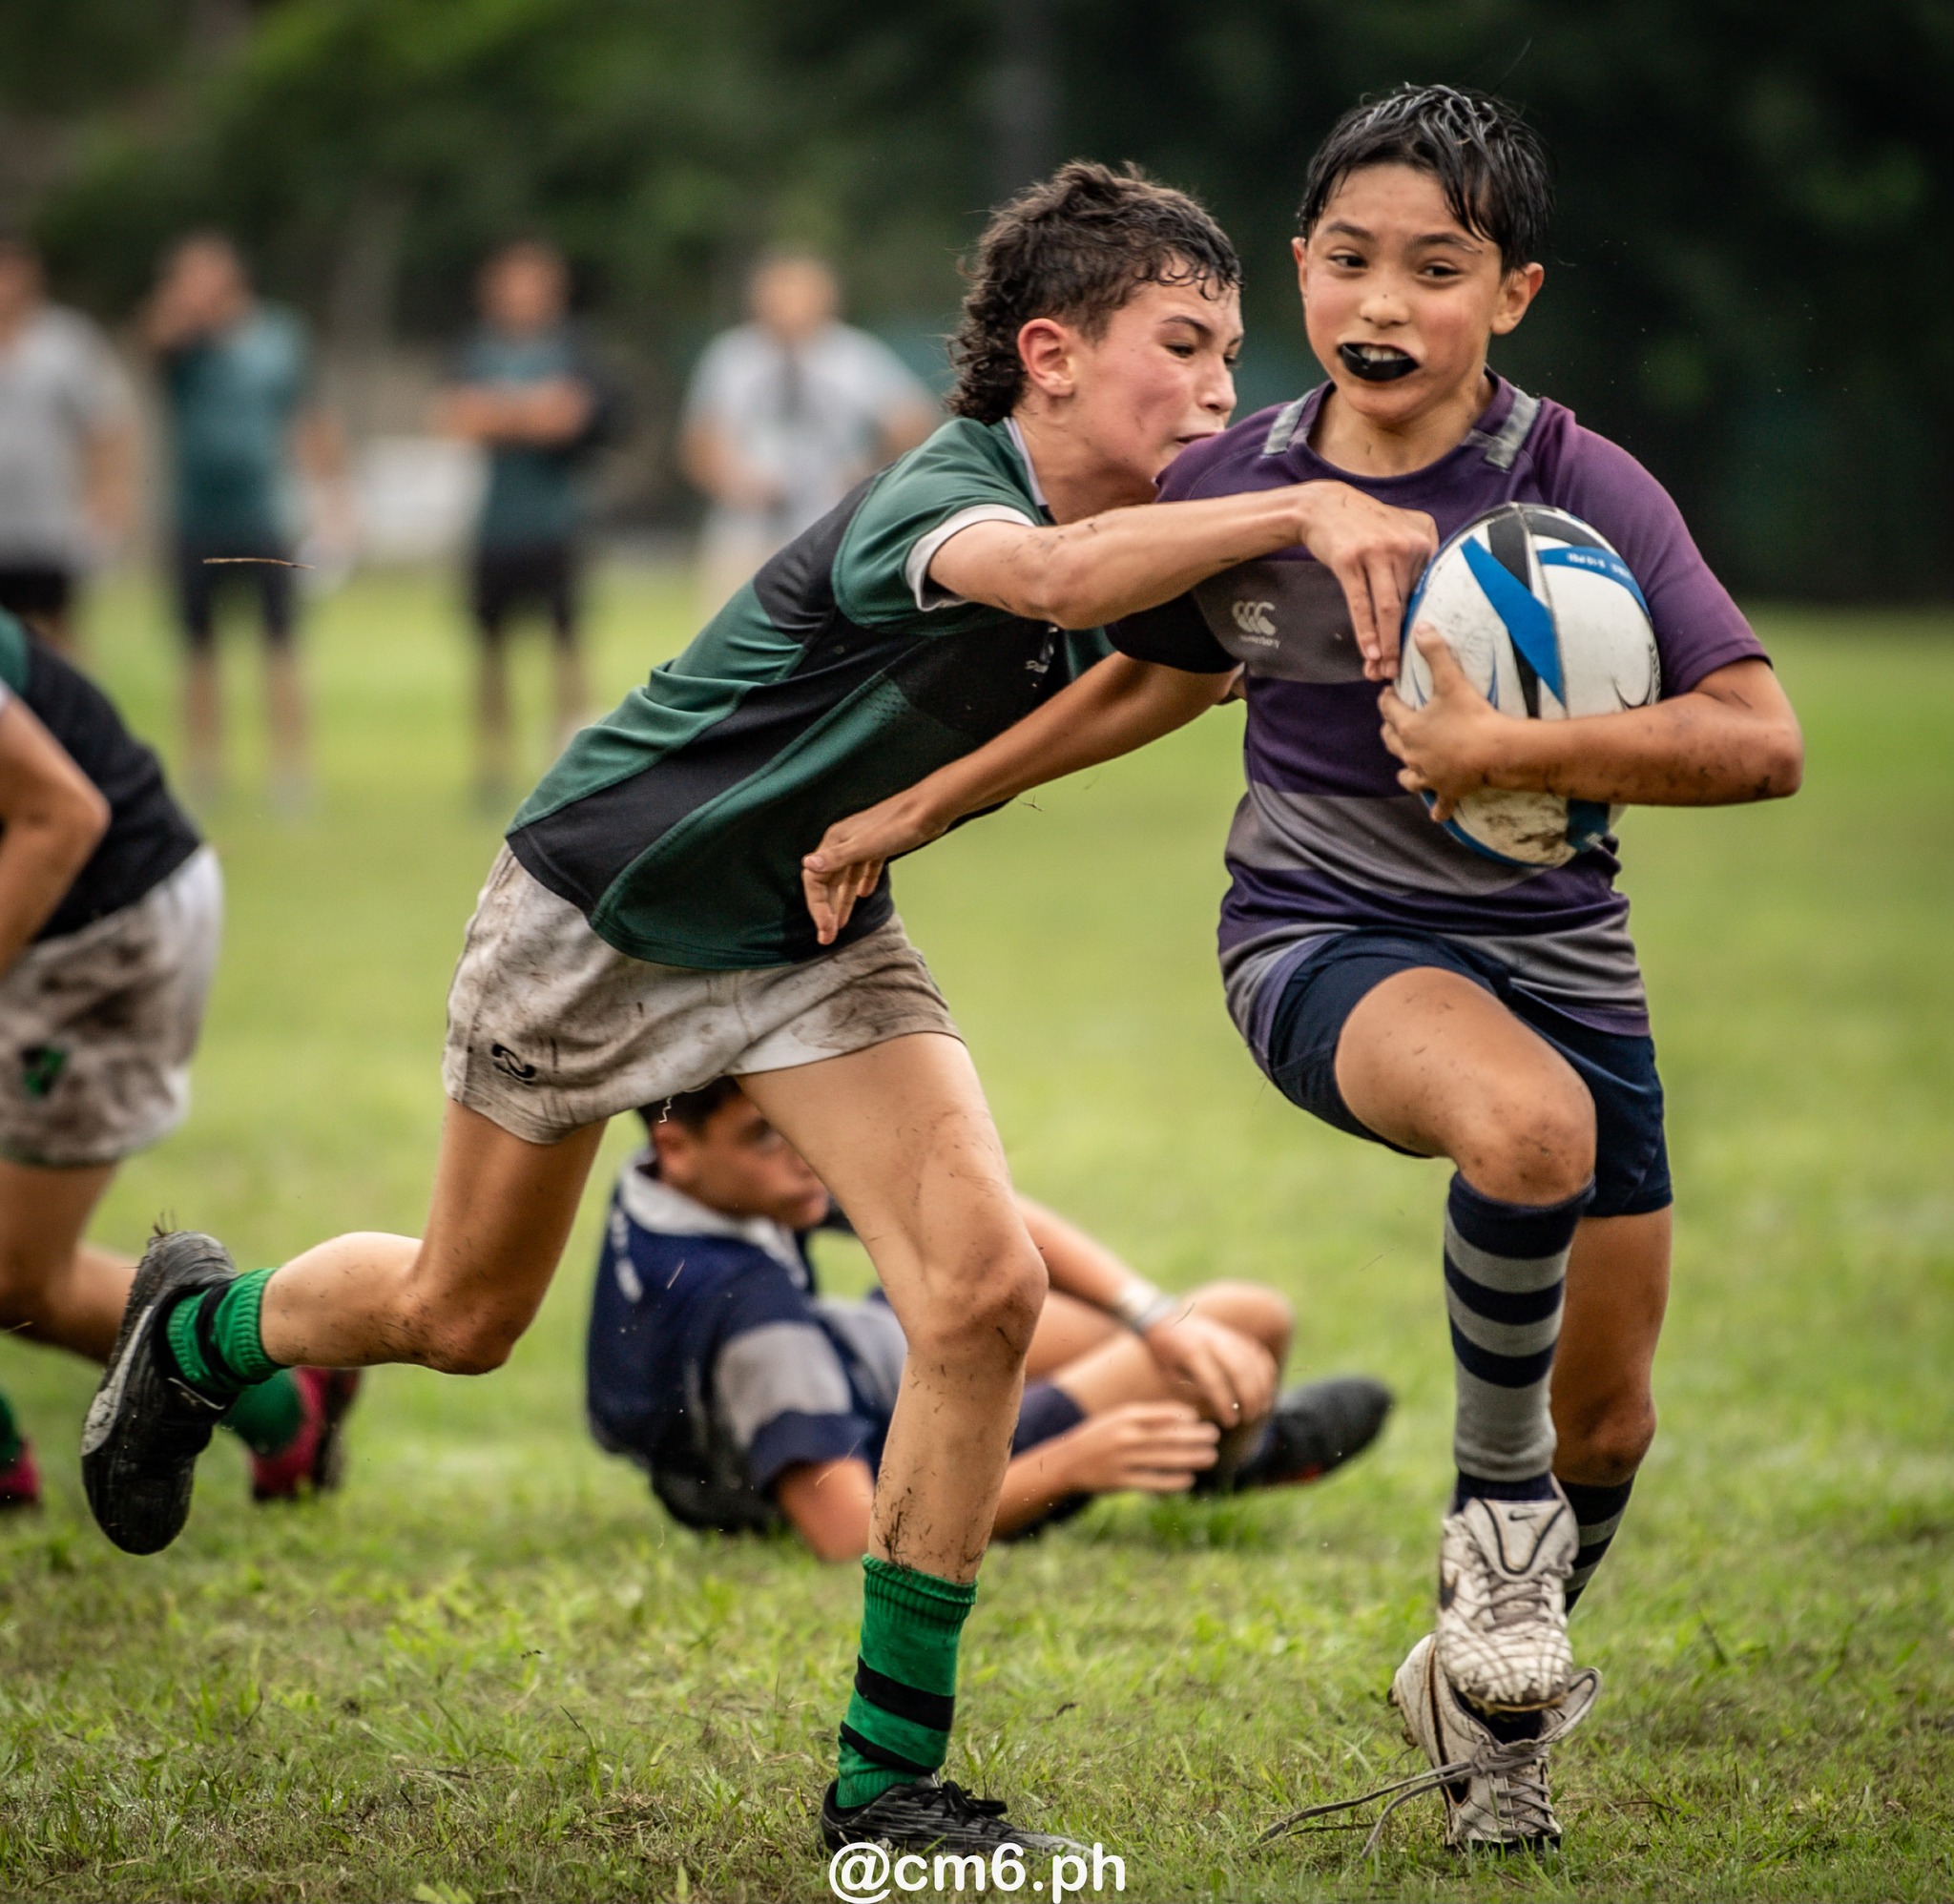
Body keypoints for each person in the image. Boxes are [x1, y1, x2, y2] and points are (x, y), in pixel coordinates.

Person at [78, 160, 1435, 1858]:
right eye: (1184, 344)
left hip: (812, 925)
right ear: (1050, 353)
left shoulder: (1150, 529)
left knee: (981, 1287)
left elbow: (1174, 667)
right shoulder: (940, 495)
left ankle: (886, 1783)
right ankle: (196, 1332)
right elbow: (1055, 588)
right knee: (461, 1311)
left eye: (1236, 354)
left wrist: (913, 813)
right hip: (604, 910)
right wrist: (1294, 508)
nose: (1226, 390)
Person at [800, 90, 1805, 1853]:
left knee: (1612, 1413)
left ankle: (1487, 1723)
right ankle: (1495, 1574)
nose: (1386, 301)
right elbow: (1156, 675)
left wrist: (1513, 755)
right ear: (1300, 272)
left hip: (1562, 955)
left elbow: (1761, 737)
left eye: (1437, 267)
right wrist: (924, 805)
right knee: (1526, 1133)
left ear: (1511, 294)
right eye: (1349, 258)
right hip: (1315, 943)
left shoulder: (1576, 482)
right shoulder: (1237, 480)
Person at [588, 1081, 1392, 1555]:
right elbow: (849, 1538)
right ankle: (1246, 1456)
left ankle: (1214, 1430)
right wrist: (1073, 1463)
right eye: (767, 1135)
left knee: (1193, 1332)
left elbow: (988, 1219)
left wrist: (1149, 1314)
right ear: (680, 1144)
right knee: (1245, 1322)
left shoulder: (674, 1187)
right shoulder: (753, 1325)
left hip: (860, 1363)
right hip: (909, 1438)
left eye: (802, 1124)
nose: (806, 1153)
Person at [0, 607, 356, 1514]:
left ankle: (282, 1397)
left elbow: (61, 815)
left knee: (15, 1275)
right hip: (73, 911)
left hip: (98, 930)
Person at [145, 233, 351, 805]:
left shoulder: (278, 336)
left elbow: (309, 416)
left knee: (281, 644)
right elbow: (153, 342)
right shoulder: (179, 342)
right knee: (198, 648)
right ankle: (205, 769)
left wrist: (334, 498)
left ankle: (291, 772)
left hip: (264, 515)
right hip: (195, 518)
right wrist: (184, 313)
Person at [436, 239, 618, 800]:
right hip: (495, 525)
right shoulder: (476, 349)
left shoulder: (575, 348)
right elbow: (456, 418)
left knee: (566, 643)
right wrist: (528, 412)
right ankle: (492, 768)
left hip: (557, 523)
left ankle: (570, 761)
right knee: (490, 650)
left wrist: (501, 413)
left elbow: (571, 418)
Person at [681, 252, 937, 614]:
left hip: (828, 524)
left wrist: (870, 475)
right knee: (726, 627)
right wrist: (734, 483)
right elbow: (700, 441)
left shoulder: (853, 356)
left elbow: (912, 420)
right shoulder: (733, 357)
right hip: (746, 526)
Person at [0, 238, 138, 656]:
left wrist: (109, 500)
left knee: (58, 629)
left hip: (49, 522)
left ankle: (68, 716)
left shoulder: (65, 342)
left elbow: (107, 424)